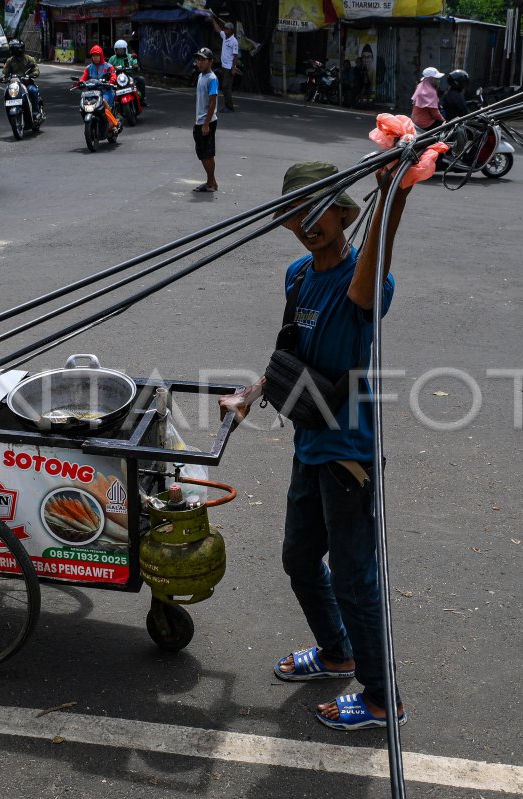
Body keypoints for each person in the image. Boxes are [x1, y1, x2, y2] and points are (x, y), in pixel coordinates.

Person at [219, 160, 411, 730]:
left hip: (346, 452)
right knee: (299, 558)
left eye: (319, 210)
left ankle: (381, 697)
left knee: (354, 576)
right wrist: (253, 392)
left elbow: (374, 263)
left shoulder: (367, 280)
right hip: (309, 439)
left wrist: (393, 195)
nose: (308, 223)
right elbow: (292, 356)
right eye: (296, 214)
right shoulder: (298, 275)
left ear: (346, 213)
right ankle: (337, 652)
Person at [192, 47, 218, 192]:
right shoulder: (201, 76)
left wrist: (206, 124)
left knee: (207, 153)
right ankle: (212, 181)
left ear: (210, 62)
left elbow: (212, 102)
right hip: (200, 120)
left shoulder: (212, 79)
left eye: (203, 60)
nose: (200, 62)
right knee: (201, 152)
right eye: (199, 59)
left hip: (208, 121)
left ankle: (210, 183)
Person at [78, 44, 120, 131]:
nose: (95, 57)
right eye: (93, 56)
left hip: (105, 91)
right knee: (83, 104)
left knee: (103, 102)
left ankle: (113, 123)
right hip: (92, 93)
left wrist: (111, 81)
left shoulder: (108, 66)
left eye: (97, 55)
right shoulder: (88, 68)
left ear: (101, 55)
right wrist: (80, 82)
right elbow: (83, 77)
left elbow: (113, 75)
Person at [206, 15, 238, 111]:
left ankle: (229, 107)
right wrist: (213, 20)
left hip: (229, 67)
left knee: (225, 87)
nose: (225, 30)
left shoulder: (234, 41)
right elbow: (218, 30)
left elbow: (235, 56)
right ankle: (228, 106)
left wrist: (233, 68)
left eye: (227, 29)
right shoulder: (225, 36)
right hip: (224, 66)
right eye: (225, 28)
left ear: (231, 30)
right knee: (225, 87)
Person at [1, 39, 41, 116]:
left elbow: (36, 71)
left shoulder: (29, 59)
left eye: (15, 48)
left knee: (33, 91)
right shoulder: (9, 61)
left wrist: (31, 75)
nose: (14, 50)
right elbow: (5, 72)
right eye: (12, 48)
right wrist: (3, 78)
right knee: (7, 93)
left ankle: (35, 112)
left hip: (27, 84)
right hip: (15, 85)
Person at [109, 38, 147, 107]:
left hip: (129, 76)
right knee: (109, 85)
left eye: (122, 49)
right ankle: (111, 103)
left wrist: (135, 66)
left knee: (141, 79)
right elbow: (108, 67)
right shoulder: (112, 58)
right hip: (117, 77)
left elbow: (136, 65)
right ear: (115, 50)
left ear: (125, 49)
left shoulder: (130, 57)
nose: (120, 51)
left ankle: (142, 99)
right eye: (118, 50)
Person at [411, 66, 445, 130]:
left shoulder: (420, 86)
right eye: (436, 79)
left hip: (415, 119)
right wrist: (444, 121)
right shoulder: (431, 92)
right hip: (425, 124)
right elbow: (435, 114)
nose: (439, 81)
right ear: (431, 79)